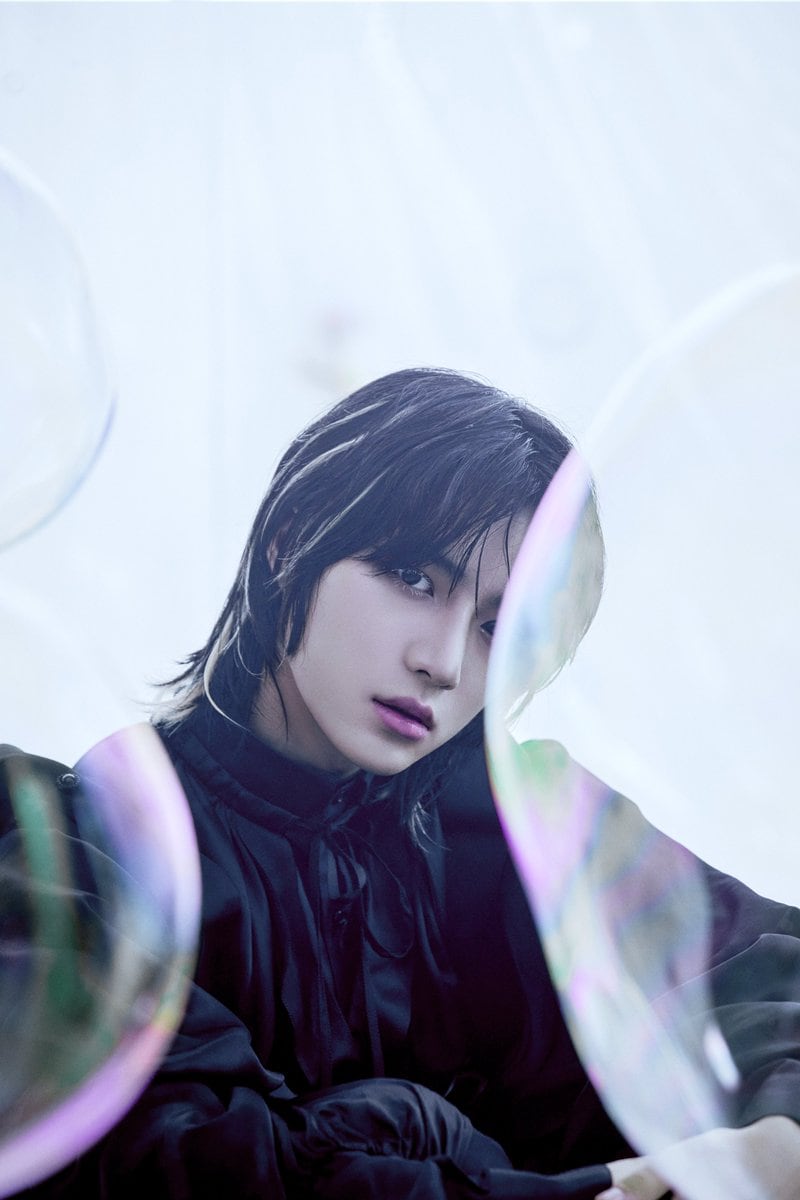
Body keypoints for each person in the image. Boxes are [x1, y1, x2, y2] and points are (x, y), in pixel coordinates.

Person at [7, 367, 800, 1199]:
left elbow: (760, 968)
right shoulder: (81, 850)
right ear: (289, 542)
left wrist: (771, 1141)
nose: (444, 662)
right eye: (415, 579)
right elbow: (194, 1164)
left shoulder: (514, 820)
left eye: (496, 627)